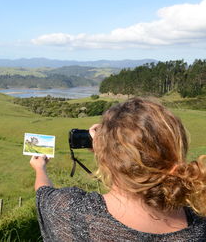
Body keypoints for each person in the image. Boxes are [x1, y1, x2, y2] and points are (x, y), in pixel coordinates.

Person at [30, 97, 206, 241]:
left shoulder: (71, 212)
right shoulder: (198, 226)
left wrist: (40, 168)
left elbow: (44, 193)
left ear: (106, 157)